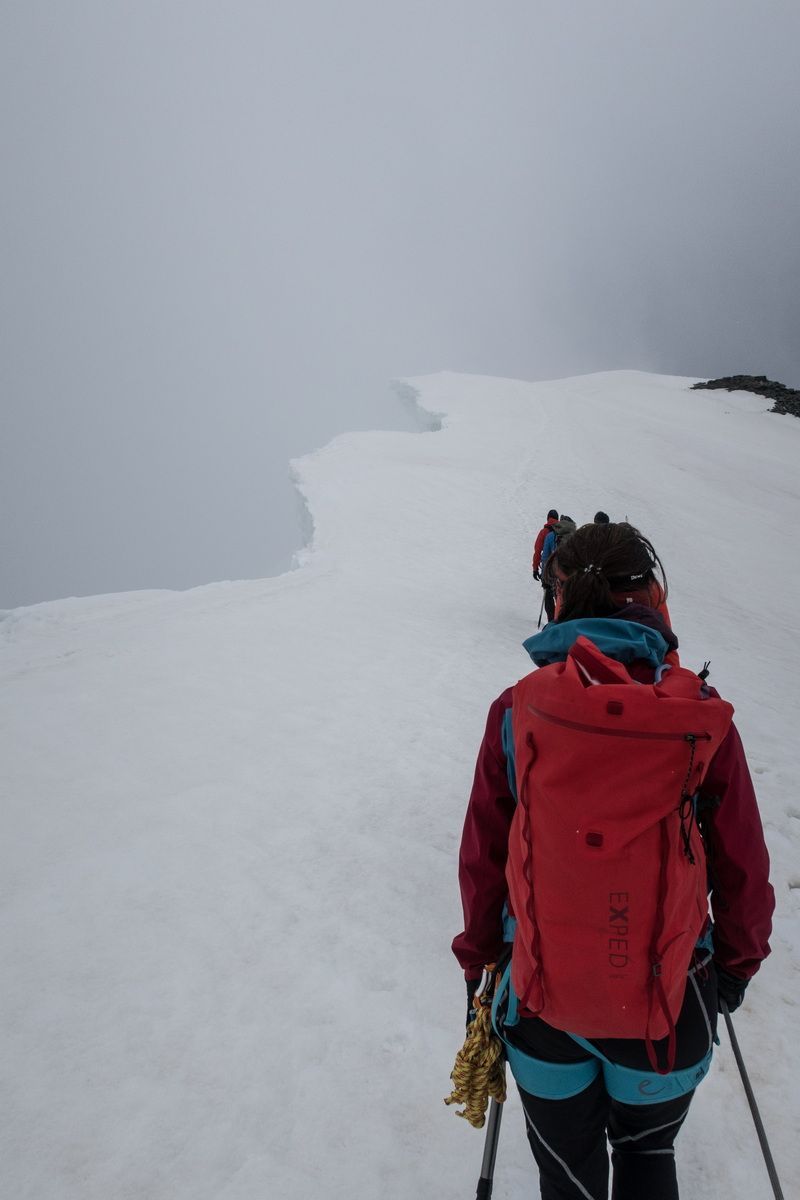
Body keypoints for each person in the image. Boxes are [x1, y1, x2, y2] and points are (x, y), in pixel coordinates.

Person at [453, 521, 774, 1200]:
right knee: (647, 1155)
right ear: (654, 596)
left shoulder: (518, 712)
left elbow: (485, 853)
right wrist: (736, 969)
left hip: (544, 1010)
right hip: (669, 1010)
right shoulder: (700, 719)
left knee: (567, 1175)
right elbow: (741, 861)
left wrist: (481, 958)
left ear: (560, 602)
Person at [539, 515, 577, 622]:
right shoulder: (576, 536)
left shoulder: (551, 535)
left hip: (555, 573)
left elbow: (545, 557)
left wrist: (544, 578)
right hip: (572, 576)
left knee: (554, 597)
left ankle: (553, 622)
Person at [532, 510, 559, 581]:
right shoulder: (562, 532)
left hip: (548, 570)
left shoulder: (544, 532)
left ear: (548, 518)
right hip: (562, 569)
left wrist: (535, 569)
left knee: (549, 589)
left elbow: (537, 551)